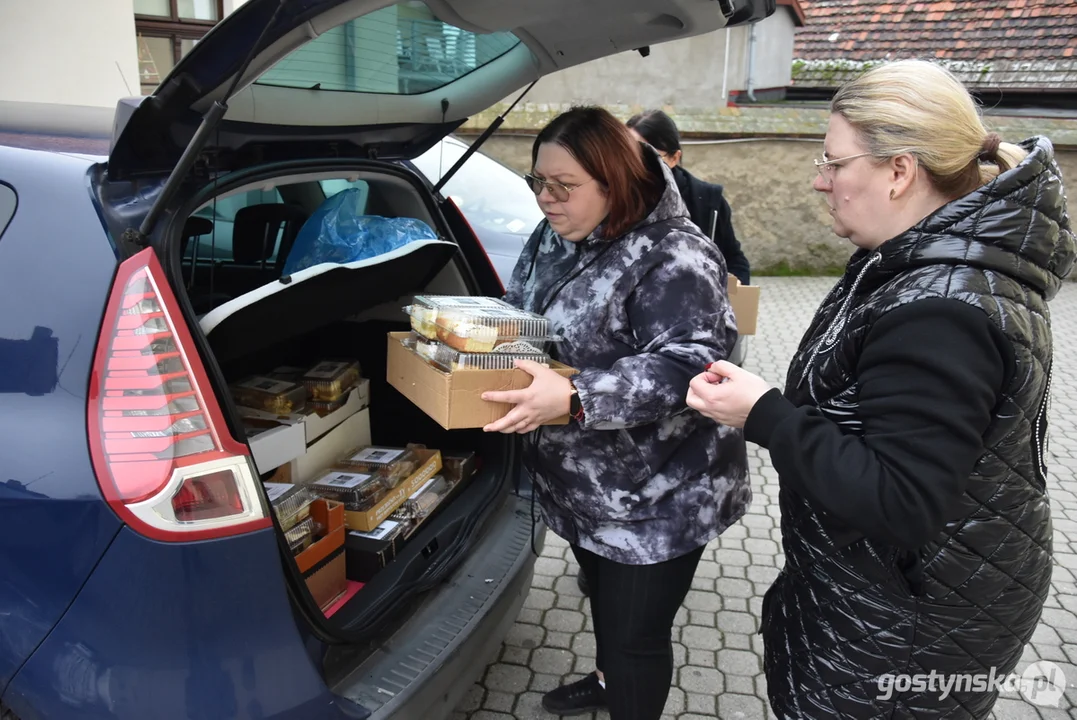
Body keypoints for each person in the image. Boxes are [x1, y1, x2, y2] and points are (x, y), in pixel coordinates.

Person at [685, 59, 1075, 719]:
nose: (818, 180)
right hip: (900, 594)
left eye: (833, 162)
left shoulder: (940, 311)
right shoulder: (914, 263)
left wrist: (763, 415)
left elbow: (900, 502)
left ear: (898, 171)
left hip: (908, 627)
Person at [479, 106, 751, 720]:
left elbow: (691, 367)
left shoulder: (676, 256)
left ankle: (623, 685)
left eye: (563, 186)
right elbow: (521, 307)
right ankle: (606, 680)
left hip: (661, 493)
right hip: (585, 484)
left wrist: (577, 397)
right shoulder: (554, 234)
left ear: (614, 182)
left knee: (637, 640)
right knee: (604, 602)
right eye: (537, 182)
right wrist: (483, 340)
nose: (546, 199)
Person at [626, 109, 751, 285]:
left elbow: (734, 260)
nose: (636, 165)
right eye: (628, 155)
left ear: (674, 157)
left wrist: (733, 289)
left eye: (648, 156)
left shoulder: (707, 200)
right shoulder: (611, 198)